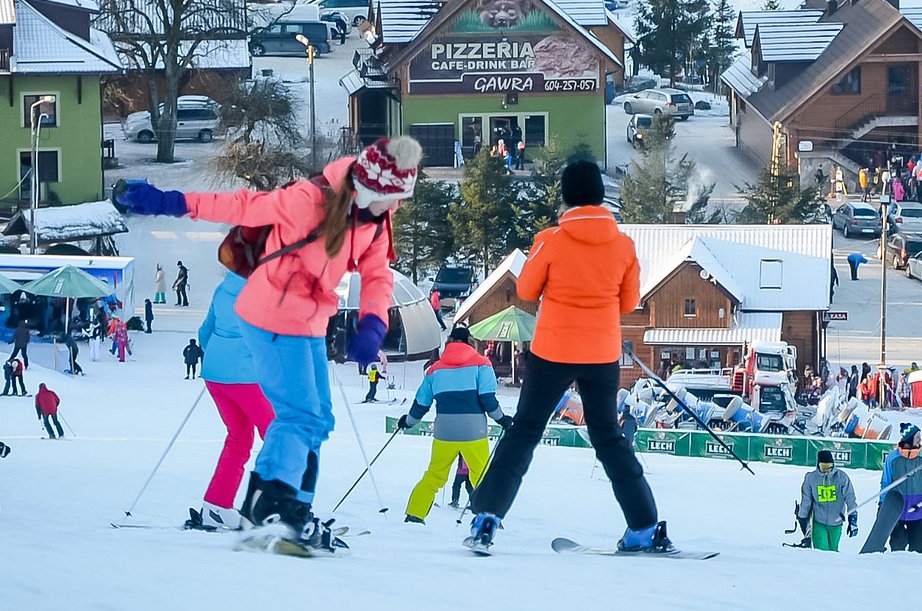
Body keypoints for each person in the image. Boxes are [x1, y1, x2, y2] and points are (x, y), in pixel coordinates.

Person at [116, 134, 421, 552]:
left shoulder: (375, 222)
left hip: (312, 322)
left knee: (319, 420)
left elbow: (378, 275)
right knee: (298, 416)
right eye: (392, 198)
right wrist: (169, 201)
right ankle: (264, 507)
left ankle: (294, 512)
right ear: (369, 190)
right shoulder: (305, 200)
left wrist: (372, 321)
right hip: (271, 315)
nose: (397, 207)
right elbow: (239, 206)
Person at [466, 159, 667, 553]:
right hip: (601, 352)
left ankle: (487, 516)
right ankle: (643, 525)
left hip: (553, 350)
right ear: (599, 196)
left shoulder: (551, 240)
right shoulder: (623, 245)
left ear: (566, 197)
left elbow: (525, 289)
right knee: (608, 437)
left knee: (524, 432)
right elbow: (629, 301)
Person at [188, 270, 275, 531]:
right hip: (246, 376)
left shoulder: (224, 287)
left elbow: (205, 332)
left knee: (239, 437)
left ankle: (217, 505)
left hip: (216, 375)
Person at [397, 325, 509, 523]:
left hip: (445, 432)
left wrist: (408, 421)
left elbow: (422, 402)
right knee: (481, 476)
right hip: (473, 431)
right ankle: (488, 519)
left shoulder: (435, 369)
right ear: (469, 341)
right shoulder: (482, 364)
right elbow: (487, 399)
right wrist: (502, 419)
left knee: (434, 475)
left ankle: (414, 513)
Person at [879, 423, 922, 553]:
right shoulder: (893, 458)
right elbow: (886, 483)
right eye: (917, 437)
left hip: (918, 511)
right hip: (897, 512)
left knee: (919, 550)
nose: (920, 439)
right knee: (897, 551)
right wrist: (882, 503)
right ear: (908, 439)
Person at [796, 450, 857, 551]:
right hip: (819, 522)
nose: (826, 469)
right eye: (823, 466)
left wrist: (853, 517)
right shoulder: (811, 478)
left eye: (829, 466)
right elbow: (806, 501)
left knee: (833, 551)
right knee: (822, 552)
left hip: (836, 522)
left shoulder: (842, 477)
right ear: (818, 465)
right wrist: (802, 518)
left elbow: (850, 497)